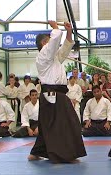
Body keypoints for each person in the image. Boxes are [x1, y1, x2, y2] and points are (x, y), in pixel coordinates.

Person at [28, 20, 86, 163]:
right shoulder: (43, 56)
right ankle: (64, 154)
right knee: (62, 124)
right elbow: (54, 43)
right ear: (43, 44)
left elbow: (65, 48)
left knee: (50, 124)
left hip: (58, 94)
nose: (53, 44)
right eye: (49, 42)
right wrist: (55, 28)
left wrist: (68, 31)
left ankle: (38, 152)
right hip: (51, 94)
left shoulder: (54, 59)